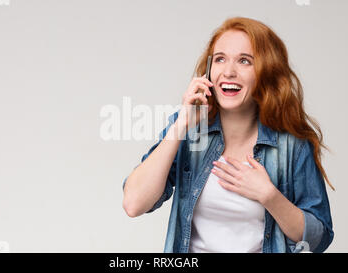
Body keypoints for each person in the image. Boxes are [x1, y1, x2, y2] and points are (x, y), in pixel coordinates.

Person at [122, 16, 334, 253]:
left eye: (245, 61)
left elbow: (318, 239)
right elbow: (134, 204)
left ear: (266, 71)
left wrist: (269, 196)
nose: (229, 72)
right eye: (220, 59)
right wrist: (181, 124)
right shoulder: (190, 131)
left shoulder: (291, 145)